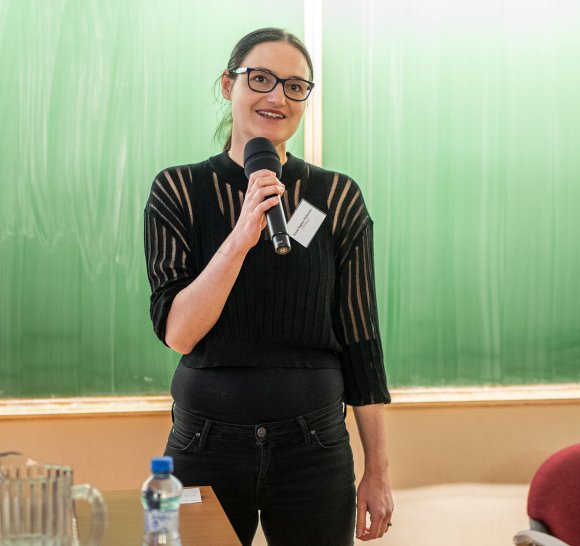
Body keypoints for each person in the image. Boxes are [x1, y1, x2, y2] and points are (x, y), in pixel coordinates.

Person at [143, 27, 393, 545]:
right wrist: (240, 237)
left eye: (295, 86)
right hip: (204, 443)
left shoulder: (335, 197)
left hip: (315, 447)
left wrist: (379, 471)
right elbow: (180, 334)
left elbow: (361, 341)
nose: (277, 96)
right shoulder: (178, 189)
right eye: (260, 79)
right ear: (227, 85)